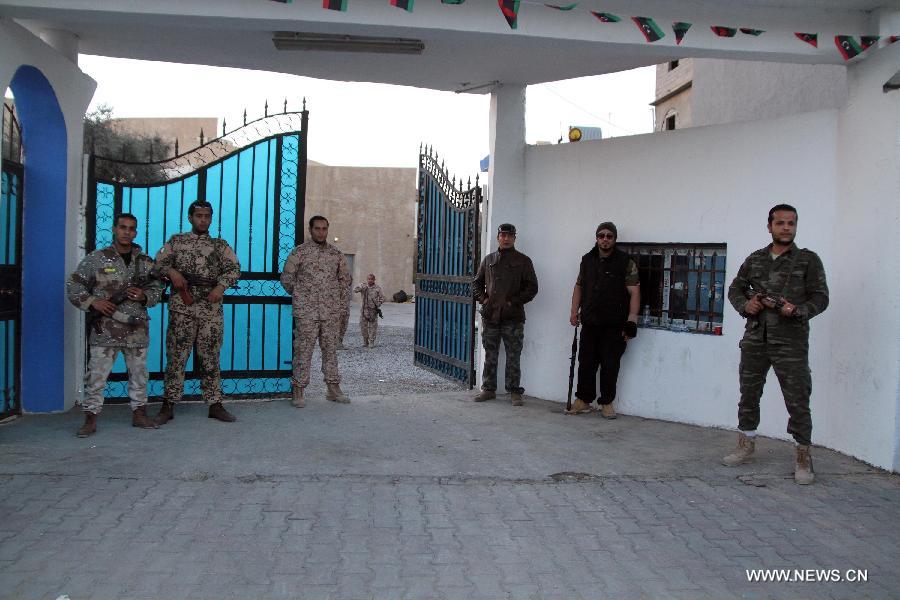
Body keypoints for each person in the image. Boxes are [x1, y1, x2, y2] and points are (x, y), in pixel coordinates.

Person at [723, 204, 828, 485]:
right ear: (769, 226)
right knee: (748, 393)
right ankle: (746, 442)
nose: (786, 228)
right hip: (756, 337)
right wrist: (748, 304)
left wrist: (797, 310)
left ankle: (803, 456)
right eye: (780, 223)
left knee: (797, 399)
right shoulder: (756, 259)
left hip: (790, 342)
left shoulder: (808, 260)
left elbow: (821, 297)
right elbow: (735, 288)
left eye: (791, 223)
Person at [66, 213, 164, 437]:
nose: (126, 232)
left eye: (131, 229)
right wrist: (94, 302)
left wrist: (144, 295)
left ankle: (139, 413)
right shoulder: (97, 259)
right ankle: (90, 418)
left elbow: (158, 287)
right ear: (114, 229)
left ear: (136, 232)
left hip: (136, 329)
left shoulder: (145, 262)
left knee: (139, 374)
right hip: (105, 329)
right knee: (96, 376)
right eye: (122, 227)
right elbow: (74, 285)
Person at [154, 200, 241, 424]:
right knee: (176, 357)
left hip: (210, 309)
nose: (203, 220)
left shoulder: (219, 245)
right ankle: (168, 403)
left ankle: (214, 404)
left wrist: (220, 287)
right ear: (190, 218)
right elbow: (157, 264)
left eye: (207, 216)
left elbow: (234, 268)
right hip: (183, 307)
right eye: (199, 215)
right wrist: (172, 271)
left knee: (210, 357)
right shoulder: (177, 241)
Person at [568, 222, 640, 419]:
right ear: (597, 238)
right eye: (601, 236)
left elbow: (634, 292)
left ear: (614, 239)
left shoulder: (626, 262)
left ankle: (607, 403)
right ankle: (583, 400)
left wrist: (631, 321)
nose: (605, 239)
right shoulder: (587, 260)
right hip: (590, 322)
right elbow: (579, 286)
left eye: (609, 236)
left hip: (614, 325)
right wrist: (574, 311)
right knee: (586, 363)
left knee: (610, 365)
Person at [280, 215, 352, 408]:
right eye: (317, 228)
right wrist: (301, 296)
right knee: (303, 351)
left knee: (331, 350)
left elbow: (345, 281)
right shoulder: (300, 253)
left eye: (324, 228)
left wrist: (339, 304)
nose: (321, 232)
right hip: (307, 313)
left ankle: (333, 388)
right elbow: (286, 278)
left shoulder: (336, 254)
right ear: (310, 230)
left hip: (330, 313)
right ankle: (299, 389)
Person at [472, 223, 538, 406]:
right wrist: (484, 300)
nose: (506, 238)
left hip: (513, 317)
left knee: (513, 356)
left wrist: (513, 302)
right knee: (490, 354)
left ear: (515, 238)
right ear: (498, 237)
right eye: (503, 235)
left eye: (510, 235)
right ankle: (488, 389)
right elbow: (476, 283)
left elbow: (532, 287)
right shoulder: (488, 260)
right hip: (491, 316)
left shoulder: (524, 261)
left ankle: (514, 391)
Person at [354, 273, 386, 347]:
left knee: (373, 327)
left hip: (373, 311)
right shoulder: (364, 287)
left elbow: (383, 298)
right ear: (367, 279)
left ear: (374, 280)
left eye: (371, 279)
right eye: (368, 279)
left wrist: (379, 303)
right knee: (363, 327)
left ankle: (371, 341)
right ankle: (365, 341)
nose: (370, 280)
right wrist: (360, 285)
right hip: (363, 311)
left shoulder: (377, 288)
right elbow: (355, 290)